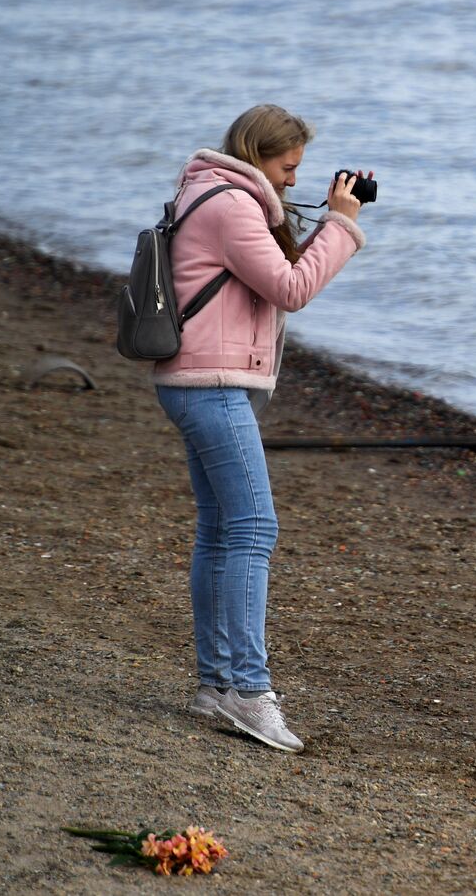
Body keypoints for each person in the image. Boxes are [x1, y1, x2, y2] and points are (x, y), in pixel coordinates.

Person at [153, 104, 368, 753]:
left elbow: (264, 280)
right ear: (257, 154)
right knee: (252, 527)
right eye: (288, 166)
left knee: (221, 528)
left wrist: (320, 215)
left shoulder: (216, 195)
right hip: (210, 382)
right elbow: (291, 288)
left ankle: (217, 684)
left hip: (196, 379)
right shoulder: (230, 204)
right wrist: (343, 225)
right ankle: (248, 690)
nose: (294, 180)